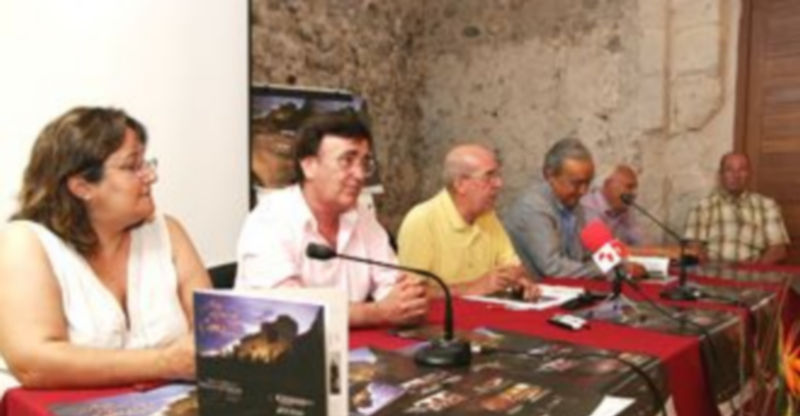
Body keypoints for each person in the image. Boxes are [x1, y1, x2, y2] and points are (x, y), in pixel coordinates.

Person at [0, 107, 211, 389]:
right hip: (55, 412)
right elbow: (34, 364)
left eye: (146, 163)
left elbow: (213, 329)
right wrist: (164, 363)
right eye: (132, 167)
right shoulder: (24, 243)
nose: (151, 176)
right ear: (82, 186)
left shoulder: (167, 232)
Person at [236, 112, 428, 327]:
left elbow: (391, 285)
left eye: (365, 162)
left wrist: (407, 299)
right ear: (309, 166)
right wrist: (376, 312)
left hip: (348, 343)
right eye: (347, 161)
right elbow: (291, 310)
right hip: (277, 343)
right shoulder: (269, 220)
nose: (360, 174)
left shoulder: (360, 216)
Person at [397, 144, 539, 299]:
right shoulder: (422, 220)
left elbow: (514, 267)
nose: (499, 184)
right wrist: (473, 287)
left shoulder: (487, 216)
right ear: (460, 184)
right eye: (489, 177)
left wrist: (518, 280)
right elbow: (411, 293)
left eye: (498, 176)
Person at [502, 138, 601, 278]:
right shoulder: (533, 207)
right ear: (549, 175)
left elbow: (582, 255)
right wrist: (605, 270)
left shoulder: (573, 203)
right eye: (576, 183)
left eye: (588, 183)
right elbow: (553, 267)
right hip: (533, 287)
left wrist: (617, 263)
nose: (583, 191)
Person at [684, 152, 789, 264]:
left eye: (742, 170)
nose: (736, 175)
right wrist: (711, 269)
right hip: (713, 271)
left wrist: (756, 270)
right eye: (729, 170)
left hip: (754, 271)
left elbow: (778, 249)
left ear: (749, 174)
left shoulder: (767, 205)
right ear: (721, 175)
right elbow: (693, 247)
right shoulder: (702, 207)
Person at [581, 165, 646, 246]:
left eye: (635, 188)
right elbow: (605, 250)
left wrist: (657, 251)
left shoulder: (623, 209)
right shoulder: (588, 206)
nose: (634, 194)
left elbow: (642, 241)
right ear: (608, 184)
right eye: (629, 187)